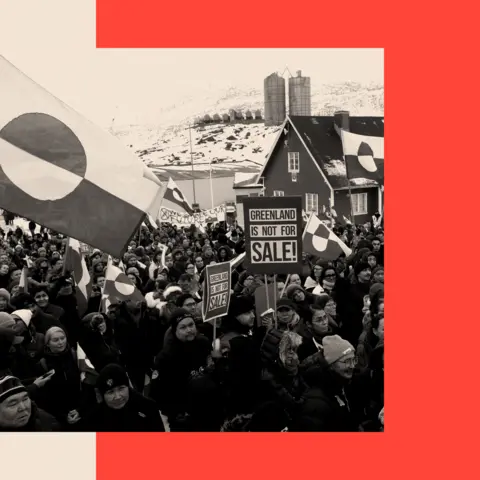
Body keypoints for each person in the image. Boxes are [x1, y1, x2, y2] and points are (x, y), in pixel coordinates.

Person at [83, 363, 164, 432]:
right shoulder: (94, 417)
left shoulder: (148, 408)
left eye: (121, 388)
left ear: (128, 387)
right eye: (110, 392)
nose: (117, 396)